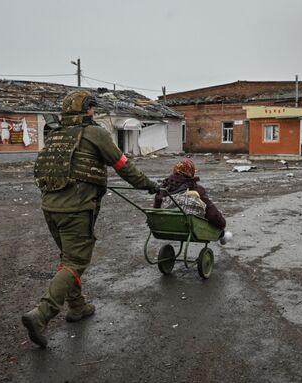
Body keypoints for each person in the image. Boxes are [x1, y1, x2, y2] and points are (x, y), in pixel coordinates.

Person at [22, 90, 159, 348]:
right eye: (92, 109)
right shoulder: (95, 133)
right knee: (75, 262)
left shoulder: (55, 135)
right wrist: (150, 185)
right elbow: (123, 166)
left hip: (50, 208)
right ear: (86, 110)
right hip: (76, 209)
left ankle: (77, 306)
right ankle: (41, 315)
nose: (94, 113)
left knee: (67, 259)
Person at [153, 159, 232, 244]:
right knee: (209, 215)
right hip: (189, 226)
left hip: (165, 226)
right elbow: (211, 213)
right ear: (191, 171)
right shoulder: (195, 189)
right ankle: (222, 235)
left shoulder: (163, 187)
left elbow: (156, 209)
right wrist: (222, 223)